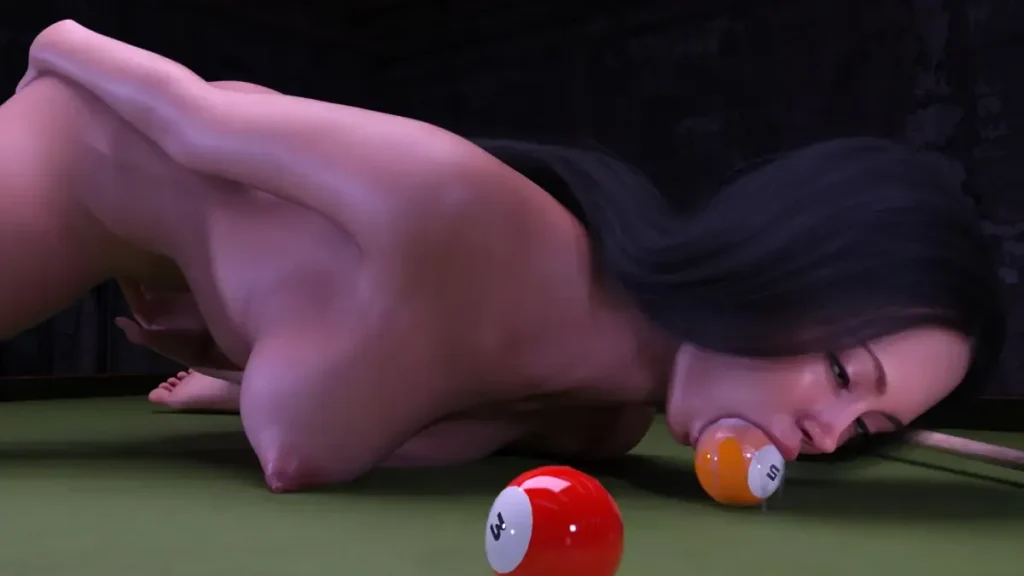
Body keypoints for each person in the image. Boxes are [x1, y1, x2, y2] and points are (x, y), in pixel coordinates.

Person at [6, 20, 1003, 492]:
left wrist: (239, 369)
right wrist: (54, 47)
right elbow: (193, 121)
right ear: (780, 264)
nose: (827, 435)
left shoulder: (599, 425)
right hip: (93, 153)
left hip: (201, 257)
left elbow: (327, 433)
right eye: (844, 376)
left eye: (869, 426)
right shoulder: (463, 208)